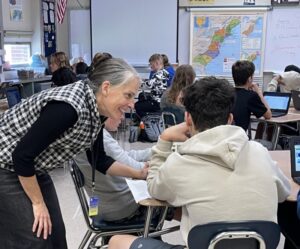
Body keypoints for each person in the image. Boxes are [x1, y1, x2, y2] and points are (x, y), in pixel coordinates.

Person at [108, 77, 290, 249]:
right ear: (230, 119)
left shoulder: (179, 163)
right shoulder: (260, 152)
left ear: (187, 119)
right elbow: (284, 194)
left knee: (117, 241)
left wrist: (164, 139)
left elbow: (155, 189)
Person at [0, 53, 147, 249]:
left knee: (56, 233)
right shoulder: (69, 108)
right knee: (34, 237)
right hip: (6, 166)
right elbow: (21, 156)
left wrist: (139, 174)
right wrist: (37, 203)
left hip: (32, 167)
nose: (132, 104)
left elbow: (100, 161)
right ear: (106, 88)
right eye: (128, 95)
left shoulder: (97, 111)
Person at [74, 117, 151, 222]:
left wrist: (154, 152)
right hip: (120, 209)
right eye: (120, 110)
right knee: (170, 198)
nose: (123, 117)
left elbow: (124, 157)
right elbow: (139, 170)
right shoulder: (100, 140)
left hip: (100, 206)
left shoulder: (89, 133)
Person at [232, 60, 272, 131]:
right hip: (238, 136)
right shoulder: (251, 96)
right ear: (250, 78)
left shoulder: (227, 92)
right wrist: (259, 93)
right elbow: (268, 115)